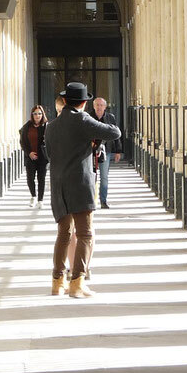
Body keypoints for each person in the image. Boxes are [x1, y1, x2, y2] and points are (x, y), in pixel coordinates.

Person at [44, 81, 120, 298]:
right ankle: (77, 281)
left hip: (58, 184)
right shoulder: (83, 119)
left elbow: (49, 154)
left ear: (65, 101)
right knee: (85, 233)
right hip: (79, 184)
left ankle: (57, 281)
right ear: (85, 103)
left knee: (63, 234)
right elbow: (114, 132)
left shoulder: (52, 126)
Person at [91, 96, 122, 209]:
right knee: (92, 176)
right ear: (94, 106)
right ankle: (92, 200)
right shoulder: (88, 117)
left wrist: (118, 151)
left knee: (104, 177)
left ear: (105, 107)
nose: (99, 107)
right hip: (91, 151)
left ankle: (103, 200)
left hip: (106, 150)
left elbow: (116, 135)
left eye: (101, 105)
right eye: (97, 105)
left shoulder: (110, 118)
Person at [19, 105, 49, 204]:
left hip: (42, 158)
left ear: (42, 114)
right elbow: (22, 142)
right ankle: (33, 196)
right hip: (30, 157)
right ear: (32, 115)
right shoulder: (27, 126)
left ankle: (40, 200)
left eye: (39, 113)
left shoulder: (46, 126)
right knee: (30, 178)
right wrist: (29, 153)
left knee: (41, 179)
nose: (37, 116)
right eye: (35, 114)